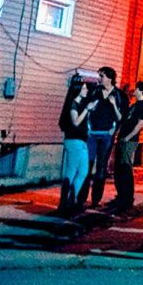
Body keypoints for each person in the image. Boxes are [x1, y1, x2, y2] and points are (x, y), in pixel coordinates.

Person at [83, 66, 125, 208]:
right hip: (93, 133)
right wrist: (88, 127)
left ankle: (95, 199)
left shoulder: (119, 95)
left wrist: (115, 129)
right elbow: (87, 108)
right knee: (87, 165)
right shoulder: (95, 92)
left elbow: (121, 117)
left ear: (110, 78)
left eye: (102, 76)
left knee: (101, 166)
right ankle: (81, 197)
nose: (99, 78)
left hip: (106, 134)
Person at [109, 81, 143, 214]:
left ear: (142, 91)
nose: (134, 90)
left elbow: (140, 124)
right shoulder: (134, 105)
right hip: (123, 138)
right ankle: (120, 196)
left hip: (130, 140)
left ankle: (127, 199)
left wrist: (128, 137)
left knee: (125, 168)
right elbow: (124, 119)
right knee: (119, 168)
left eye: (137, 88)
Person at [58, 79, 92, 215]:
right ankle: (64, 202)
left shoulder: (80, 104)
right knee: (71, 171)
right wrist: (87, 110)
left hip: (82, 141)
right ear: (78, 90)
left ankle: (71, 198)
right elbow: (76, 122)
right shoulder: (73, 105)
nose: (86, 91)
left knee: (83, 171)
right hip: (74, 141)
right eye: (84, 89)